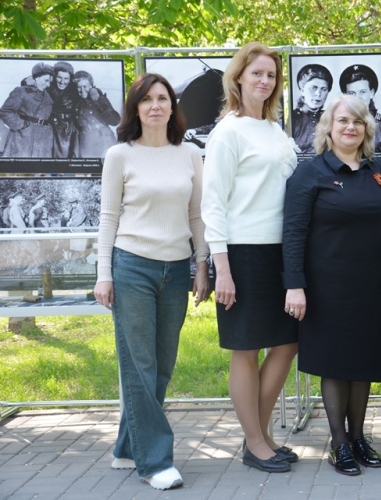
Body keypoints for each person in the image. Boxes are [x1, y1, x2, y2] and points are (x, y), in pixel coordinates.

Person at [93, 72, 209, 491]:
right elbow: (108, 218)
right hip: (132, 267)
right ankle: (156, 461)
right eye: (147, 99)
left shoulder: (190, 154)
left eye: (163, 98)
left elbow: (197, 215)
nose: (156, 105)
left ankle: (128, 448)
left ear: (173, 107)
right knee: (139, 365)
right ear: (136, 108)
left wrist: (201, 265)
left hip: (176, 270)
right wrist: (104, 274)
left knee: (161, 367)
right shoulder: (119, 155)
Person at [283, 95, 381, 476]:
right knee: (336, 364)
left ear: (367, 129)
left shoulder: (379, 170)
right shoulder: (311, 173)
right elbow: (293, 232)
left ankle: (357, 438)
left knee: (364, 362)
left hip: (373, 284)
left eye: (357, 121)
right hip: (327, 287)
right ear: (329, 128)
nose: (350, 127)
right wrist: (294, 285)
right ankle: (338, 443)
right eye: (342, 121)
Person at [201, 42, 299, 474]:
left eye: (271, 75)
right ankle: (255, 443)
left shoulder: (276, 130)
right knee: (246, 349)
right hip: (241, 253)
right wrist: (221, 269)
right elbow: (213, 204)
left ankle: (259, 435)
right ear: (238, 77)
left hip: (281, 252)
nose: (264, 80)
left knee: (288, 343)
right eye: (256, 72)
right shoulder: (228, 131)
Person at [0, 62, 55, 158]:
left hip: (43, 140)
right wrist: (21, 125)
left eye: (50, 82)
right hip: (22, 137)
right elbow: (5, 111)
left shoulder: (48, 96)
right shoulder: (21, 91)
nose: (48, 84)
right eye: (46, 80)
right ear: (37, 77)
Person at [338, 64, 381, 152]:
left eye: (362, 92)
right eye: (352, 93)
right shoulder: (337, 124)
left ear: (371, 93)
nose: (357, 98)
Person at [73, 70, 121, 158]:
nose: (82, 90)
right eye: (79, 87)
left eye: (85, 86)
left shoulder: (97, 97)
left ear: (91, 86)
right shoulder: (78, 102)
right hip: (86, 141)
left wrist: (98, 97)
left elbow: (115, 121)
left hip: (103, 139)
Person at [291, 63, 332, 153]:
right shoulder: (292, 118)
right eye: (314, 88)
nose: (318, 94)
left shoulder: (330, 118)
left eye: (323, 89)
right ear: (302, 90)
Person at [49, 62, 80, 158]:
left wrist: (93, 91)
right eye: (59, 77)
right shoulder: (48, 87)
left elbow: (88, 88)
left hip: (67, 129)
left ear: (70, 79)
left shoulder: (76, 90)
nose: (62, 82)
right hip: (49, 127)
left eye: (66, 78)